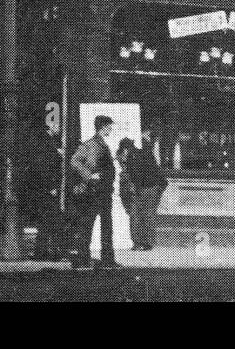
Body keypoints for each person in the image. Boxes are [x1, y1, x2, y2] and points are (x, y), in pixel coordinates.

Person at [68, 115, 118, 269]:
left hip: (104, 191)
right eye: (109, 126)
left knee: (106, 226)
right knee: (88, 224)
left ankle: (107, 259)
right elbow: (74, 161)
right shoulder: (90, 144)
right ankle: (84, 257)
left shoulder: (102, 144)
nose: (111, 129)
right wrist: (89, 176)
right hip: (94, 191)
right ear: (102, 127)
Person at [119, 132, 167, 251]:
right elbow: (155, 169)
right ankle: (147, 243)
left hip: (144, 188)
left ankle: (138, 242)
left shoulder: (131, 156)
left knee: (136, 215)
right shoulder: (145, 152)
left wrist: (136, 189)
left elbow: (136, 175)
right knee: (147, 214)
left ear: (125, 149)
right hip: (153, 187)